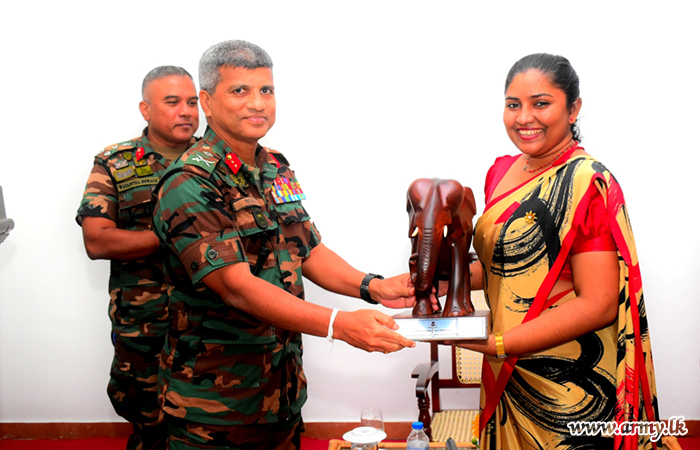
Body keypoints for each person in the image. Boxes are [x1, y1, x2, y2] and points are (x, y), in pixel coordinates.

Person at [151, 40, 421, 450]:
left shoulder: (273, 165)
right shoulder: (189, 181)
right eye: (240, 91)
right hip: (213, 406)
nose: (257, 103)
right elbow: (237, 287)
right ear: (206, 102)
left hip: (281, 391)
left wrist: (373, 286)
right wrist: (339, 325)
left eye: (267, 90)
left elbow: (306, 248)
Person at [456, 53, 659, 449]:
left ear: (573, 109)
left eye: (541, 103)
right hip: (507, 374)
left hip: (571, 383)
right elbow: (505, 267)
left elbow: (598, 303)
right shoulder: (500, 172)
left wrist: (499, 345)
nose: (524, 117)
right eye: (513, 104)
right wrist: (434, 282)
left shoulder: (586, 183)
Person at [77, 65, 199, 450]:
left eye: (192, 102)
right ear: (145, 109)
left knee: (212, 423)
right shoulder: (116, 162)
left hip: (213, 322)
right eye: (172, 102)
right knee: (149, 421)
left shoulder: (216, 159)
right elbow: (97, 241)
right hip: (146, 324)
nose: (186, 111)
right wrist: (176, 238)